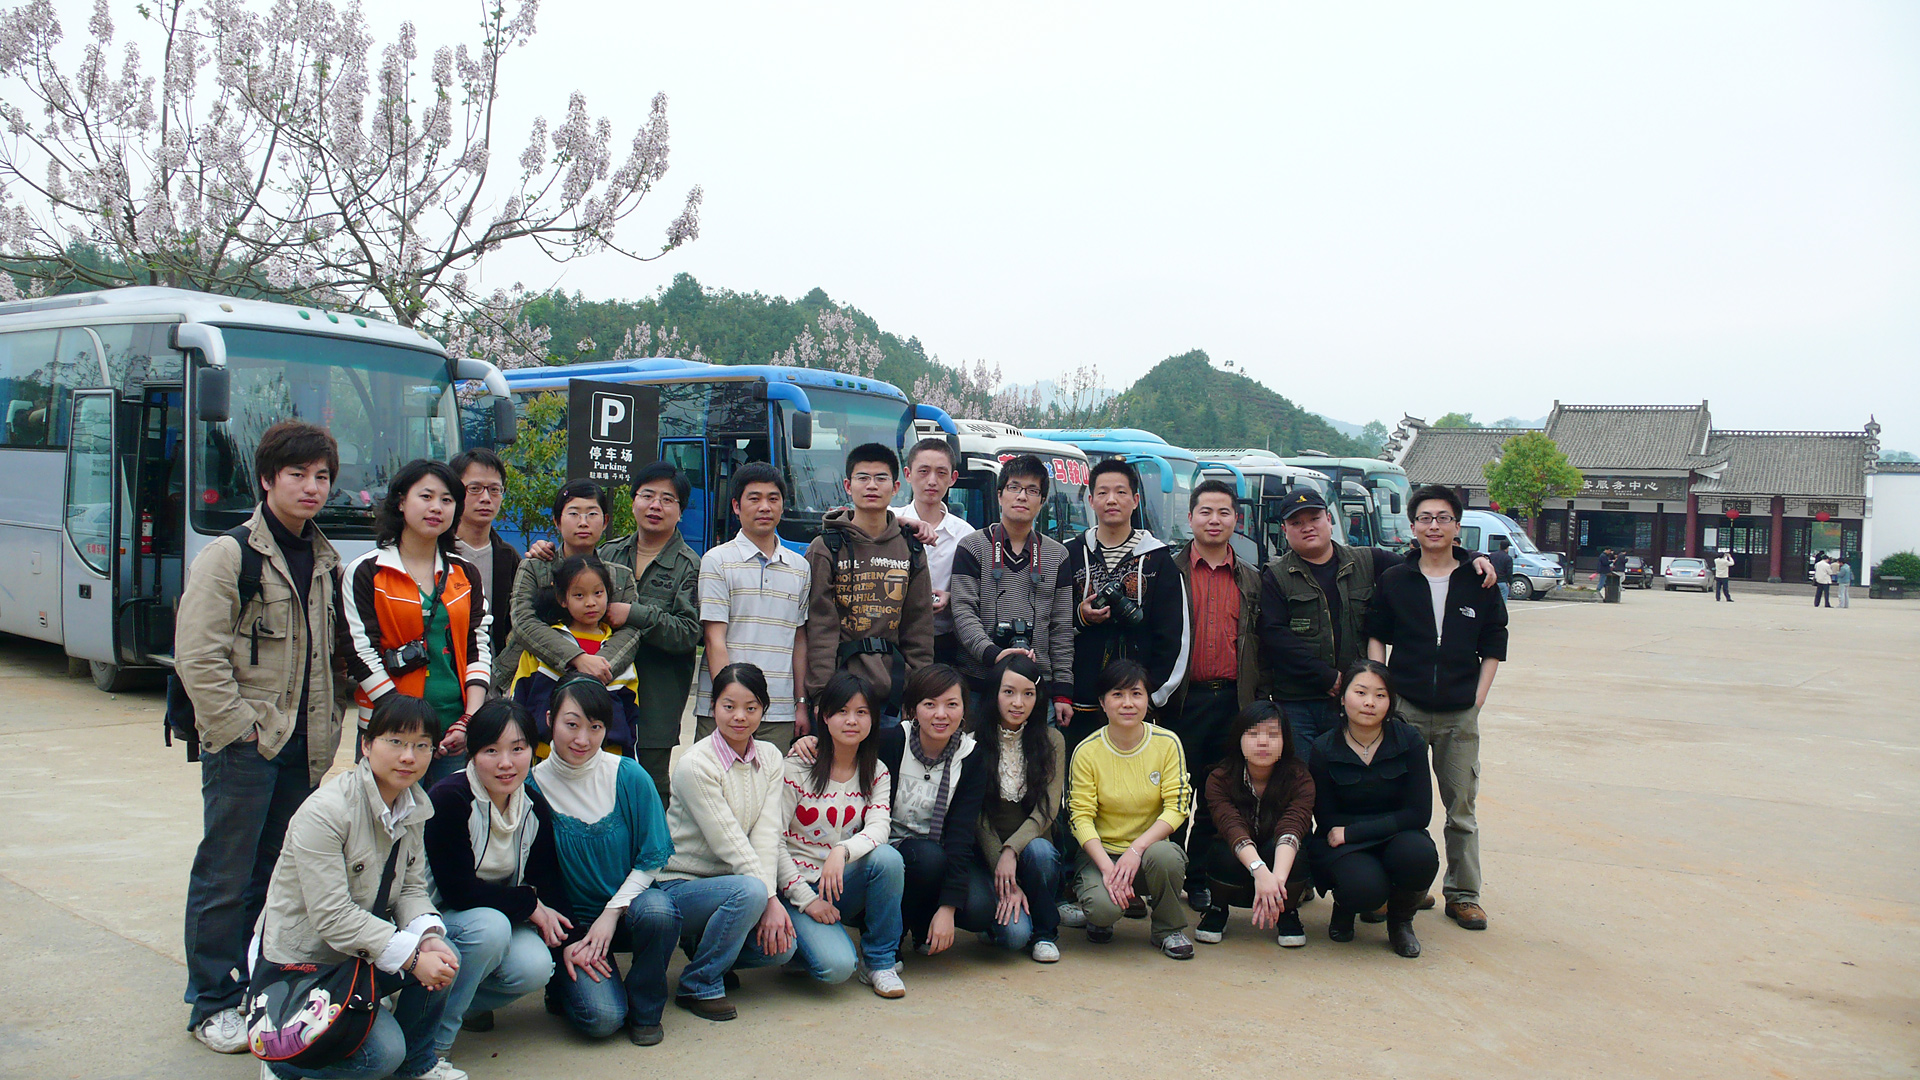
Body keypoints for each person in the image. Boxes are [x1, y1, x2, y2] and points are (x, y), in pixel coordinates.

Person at [176, 420, 349, 1054]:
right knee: (225, 873)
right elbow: (198, 656)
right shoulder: (230, 556)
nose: (311, 487)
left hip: (306, 747)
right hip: (248, 746)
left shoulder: (325, 559)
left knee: (276, 874)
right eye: (298, 474)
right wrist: (238, 730)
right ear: (268, 479)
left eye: (322, 476)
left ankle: (254, 983)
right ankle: (211, 1000)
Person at [255, 693, 466, 1080]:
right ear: (367, 745)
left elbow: (411, 888)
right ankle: (283, 1062)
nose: (408, 756)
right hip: (306, 962)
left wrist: (428, 937)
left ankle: (416, 1065)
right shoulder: (326, 812)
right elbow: (332, 917)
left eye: (421, 745)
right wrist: (412, 959)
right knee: (381, 1056)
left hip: (360, 951)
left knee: (445, 954)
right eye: (396, 742)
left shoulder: (413, 805)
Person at [1258, 488, 1496, 769]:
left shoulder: (1367, 561)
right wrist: (1327, 677)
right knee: (1303, 781)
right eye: (1296, 522)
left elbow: (1427, 562)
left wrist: (1473, 558)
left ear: (1329, 520)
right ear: (1284, 530)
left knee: (1352, 780)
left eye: (1314, 518)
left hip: (1355, 701)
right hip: (1298, 703)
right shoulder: (1276, 575)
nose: (1307, 527)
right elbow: (1275, 636)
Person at [1367, 484, 1507, 932]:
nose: (1434, 525)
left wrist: (1477, 700)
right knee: (1397, 802)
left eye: (1443, 518)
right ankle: (1404, 887)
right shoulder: (1395, 579)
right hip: (1405, 708)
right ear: (1412, 526)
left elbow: (1495, 642)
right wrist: (1381, 690)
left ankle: (1464, 895)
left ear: (1456, 526)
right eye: (1425, 518)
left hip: (1459, 713)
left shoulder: (1479, 580)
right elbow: (1377, 634)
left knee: (1460, 808)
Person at [528, 677, 679, 1047]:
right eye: (572, 724)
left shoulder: (628, 775)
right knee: (602, 1019)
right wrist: (567, 939)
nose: (582, 739)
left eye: (595, 727)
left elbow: (651, 858)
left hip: (627, 911)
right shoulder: (530, 787)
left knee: (660, 911)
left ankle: (645, 1008)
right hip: (572, 927)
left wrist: (611, 914)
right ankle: (563, 983)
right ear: (549, 719)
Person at [422, 700, 570, 1061]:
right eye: (491, 750)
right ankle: (434, 1044)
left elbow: (548, 879)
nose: (506, 763)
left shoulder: (531, 805)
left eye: (518, 749)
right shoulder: (450, 798)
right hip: (435, 921)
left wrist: (573, 940)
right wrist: (528, 904)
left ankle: (436, 1005)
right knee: (491, 928)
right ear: (472, 754)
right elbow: (457, 890)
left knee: (535, 967)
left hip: (492, 917)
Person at [653, 664, 799, 1023]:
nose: (739, 717)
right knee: (750, 892)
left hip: (735, 885)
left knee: (782, 949)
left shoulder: (770, 756)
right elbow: (728, 841)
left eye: (751, 707)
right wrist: (767, 897)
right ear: (712, 705)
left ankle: (706, 951)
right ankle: (699, 983)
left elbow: (766, 832)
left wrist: (768, 900)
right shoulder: (695, 764)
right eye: (728, 706)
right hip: (680, 884)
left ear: (764, 709)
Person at [343, 458, 492, 789]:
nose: (436, 507)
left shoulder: (465, 573)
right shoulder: (367, 571)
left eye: (447, 500)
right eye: (426, 496)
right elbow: (360, 652)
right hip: (389, 731)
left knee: (447, 817)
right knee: (388, 818)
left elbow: (477, 646)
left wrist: (469, 719)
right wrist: (406, 724)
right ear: (401, 501)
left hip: (454, 733)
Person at [777, 671, 907, 998]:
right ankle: (801, 947)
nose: (852, 721)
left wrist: (842, 850)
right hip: (796, 886)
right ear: (824, 716)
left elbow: (879, 827)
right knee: (835, 968)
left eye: (862, 712)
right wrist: (807, 900)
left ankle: (880, 962)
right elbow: (772, 841)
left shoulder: (876, 771)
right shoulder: (796, 768)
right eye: (842, 711)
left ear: (873, 719)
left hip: (840, 880)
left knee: (888, 859)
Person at [1167, 478, 1264, 912]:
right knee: (1172, 793)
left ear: (1236, 520)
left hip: (1232, 702)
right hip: (1180, 702)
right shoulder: (1168, 572)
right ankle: (1166, 874)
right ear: (1190, 518)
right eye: (1205, 511)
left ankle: (1199, 878)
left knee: (1216, 794)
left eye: (1224, 512)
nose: (1214, 520)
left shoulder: (1253, 580)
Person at [1058, 458, 1190, 753]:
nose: (1111, 500)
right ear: (1090, 501)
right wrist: (1081, 617)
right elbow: (1052, 623)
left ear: (1135, 500)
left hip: (1136, 706)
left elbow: (1174, 636)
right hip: (1079, 702)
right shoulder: (1070, 554)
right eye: (1102, 493)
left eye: (1120, 492)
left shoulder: (1159, 560)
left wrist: (1152, 696)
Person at [1309, 661, 1439, 959]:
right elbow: (1326, 818)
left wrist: (1357, 832)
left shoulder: (1409, 741)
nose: (1370, 702)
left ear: (1390, 702)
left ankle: (1400, 922)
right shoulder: (1324, 748)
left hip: (1391, 835)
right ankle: (1345, 906)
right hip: (1346, 845)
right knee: (1363, 889)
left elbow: (1419, 813)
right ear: (1343, 698)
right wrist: (1351, 836)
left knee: (1419, 856)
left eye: (1380, 695)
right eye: (1361, 692)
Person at [1068, 659, 1195, 960]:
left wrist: (1137, 849)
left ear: (1148, 700)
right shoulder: (1087, 751)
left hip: (1149, 853)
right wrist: (1107, 867)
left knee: (1167, 857)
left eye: (1136, 694)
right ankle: (1099, 914)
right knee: (1103, 910)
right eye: (1118, 695)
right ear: (1102, 702)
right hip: (1101, 854)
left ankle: (1167, 929)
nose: (1128, 703)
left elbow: (1177, 807)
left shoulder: (1167, 743)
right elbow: (1079, 817)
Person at [595, 462, 702, 804]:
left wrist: (633, 614)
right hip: (604, 691)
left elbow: (689, 633)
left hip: (656, 698)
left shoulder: (689, 565)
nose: (656, 505)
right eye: (647, 496)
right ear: (633, 503)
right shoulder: (607, 554)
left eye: (667, 499)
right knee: (598, 780)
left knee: (651, 788)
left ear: (680, 512)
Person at [804, 442, 935, 723]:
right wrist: (821, 694)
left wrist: (917, 692)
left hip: (894, 695)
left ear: (896, 487)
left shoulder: (910, 548)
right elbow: (820, 628)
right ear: (848, 486)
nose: (872, 486)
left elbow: (919, 627)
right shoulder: (826, 547)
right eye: (863, 478)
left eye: (881, 478)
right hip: (839, 694)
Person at [948, 453, 1075, 723]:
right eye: (1014, 487)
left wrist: (1063, 691)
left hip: (1034, 686)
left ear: (1042, 500)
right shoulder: (972, 547)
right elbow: (962, 612)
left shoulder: (1057, 556)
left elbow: (1061, 628)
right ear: (999, 495)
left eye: (1032, 490)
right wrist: (993, 654)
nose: (1021, 496)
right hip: (978, 684)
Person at [696, 463, 812, 752]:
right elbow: (714, 639)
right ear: (736, 506)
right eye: (754, 498)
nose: (765, 507)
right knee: (715, 778)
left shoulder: (800, 567)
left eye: (773, 499)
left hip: (779, 709)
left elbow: (799, 640)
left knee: (771, 781)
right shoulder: (717, 561)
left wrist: (800, 703)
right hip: (724, 710)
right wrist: (729, 703)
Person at [877, 663, 991, 956]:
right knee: (926, 858)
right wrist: (809, 742)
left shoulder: (971, 756)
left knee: (980, 908)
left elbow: (961, 834)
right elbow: (843, 746)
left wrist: (948, 908)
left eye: (951, 704)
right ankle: (890, 938)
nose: (941, 714)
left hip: (939, 854)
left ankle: (924, 922)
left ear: (964, 710)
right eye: (930, 704)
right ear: (913, 710)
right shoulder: (893, 741)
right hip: (886, 853)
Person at [491, 480, 641, 699]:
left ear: (605, 521)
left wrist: (597, 668)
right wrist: (577, 659)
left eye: (592, 514)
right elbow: (523, 621)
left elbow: (630, 632)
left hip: (601, 688)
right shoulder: (535, 567)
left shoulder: (620, 576)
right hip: (532, 681)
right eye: (573, 514)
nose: (583, 522)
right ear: (557, 521)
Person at [969, 653, 1067, 962]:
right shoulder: (972, 742)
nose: (1018, 703)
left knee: (1041, 852)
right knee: (1013, 938)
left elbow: (1047, 809)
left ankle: (1045, 933)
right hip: (988, 856)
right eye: (1009, 692)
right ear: (994, 693)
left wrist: (1012, 851)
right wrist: (1000, 862)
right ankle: (999, 913)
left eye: (1028, 694)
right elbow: (977, 816)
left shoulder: (1052, 740)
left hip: (1032, 851)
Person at [1194, 700, 1315, 949]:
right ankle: (1217, 908)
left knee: (1297, 852)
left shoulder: (1300, 777)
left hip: (1277, 858)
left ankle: (1286, 910)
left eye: (1272, 735)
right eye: (1253, 734)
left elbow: (1292, 827)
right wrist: (1260, 871)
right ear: (1238, 739)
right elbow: (1231, 827)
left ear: (1285, 741)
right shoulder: (1219, 778)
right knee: (1221, 851)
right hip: (1238, 859)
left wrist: (1275, 884)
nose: (1262, 742)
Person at [508, 556, 642, 756]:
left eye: (598, 593)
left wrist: (624, 765)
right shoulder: (543, 648)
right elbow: (517, 704)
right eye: (579, 595)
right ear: (562, 599)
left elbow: (631, 718)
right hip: (545, 760)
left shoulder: (618, 651)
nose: (590, 603)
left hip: (604, 763)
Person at [894, 437, 975, 665]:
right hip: (892, 639)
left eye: (941, 473)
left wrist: (951, 597)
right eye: (923, 471)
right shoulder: (888, 519)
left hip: (942, 643)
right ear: (908, 474)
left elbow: (975, 591)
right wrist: (901, 522)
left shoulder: (965, 535)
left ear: (953, 478)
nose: (932, 481)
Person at [449, 448, 521, 657]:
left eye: (494, 490)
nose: (486, 498)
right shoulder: (435, 552)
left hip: (492, 669)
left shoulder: (509, 558)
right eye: (475, 489)